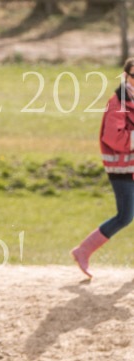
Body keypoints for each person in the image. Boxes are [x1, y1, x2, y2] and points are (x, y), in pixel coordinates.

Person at [72, 57, 134, 278]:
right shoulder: (118, 102)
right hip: (122, 170)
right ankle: (83, 250)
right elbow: (113, 137)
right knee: (125, 216)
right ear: (126, 76)